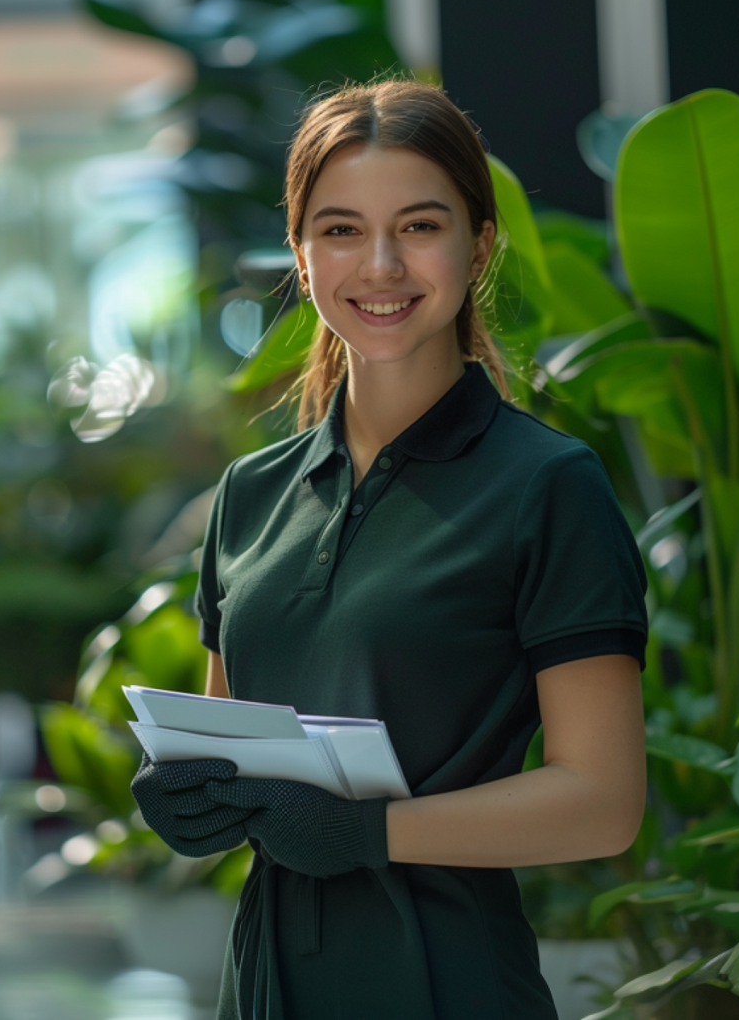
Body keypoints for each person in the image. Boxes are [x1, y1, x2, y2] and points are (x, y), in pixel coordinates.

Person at [130, 79, 648, 1019]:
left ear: (478, 243)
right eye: (338, 230)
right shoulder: (250, 495)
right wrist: (188, 796)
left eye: (418, 226)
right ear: (298, 251)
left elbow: (602, 801)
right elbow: (234, 751)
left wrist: (370, 831)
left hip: (445, 980)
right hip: (266, 985)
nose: (379, 264)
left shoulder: (546, 485)